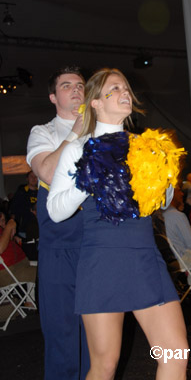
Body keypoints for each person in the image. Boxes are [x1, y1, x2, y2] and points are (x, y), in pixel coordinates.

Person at [47, 68, 188, 380]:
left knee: (175, 355)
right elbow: (56, 211)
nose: (125, 93)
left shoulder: (145, 146)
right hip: (102, 260)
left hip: (144, 257)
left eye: (126, 88)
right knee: (104, 366)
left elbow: (161, 204)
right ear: (95, 102)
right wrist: (88, 178)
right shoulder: (78, 148)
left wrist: (163, 177)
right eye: (114, 89)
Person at [26, 66, 89, 380]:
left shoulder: (103, 130)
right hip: (60, 246)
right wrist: (76, 131)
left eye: (80, 85)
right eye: (67, 85)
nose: (77, 90)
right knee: (63, 339)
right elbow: (49, 174)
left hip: (96, 246)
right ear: (53, 96)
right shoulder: (44, 132)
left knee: (99, 343)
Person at [0, 212, 36, 288]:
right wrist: (9, 226)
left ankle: (32, 299)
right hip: (9, 271)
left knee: (50, 266)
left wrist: (12, 236)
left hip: (20, 266)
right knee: (48, 272)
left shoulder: (3, 232)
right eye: (1, 220)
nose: (3, 223)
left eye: (4, 220)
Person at [10, 170, 38, 239]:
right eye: (31, 176)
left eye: (35, 176)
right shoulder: (21, 192)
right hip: (24, 229)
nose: (34, 178)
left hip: (38, 228)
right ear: (27, 179)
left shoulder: (41, 192)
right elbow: (13, 210)